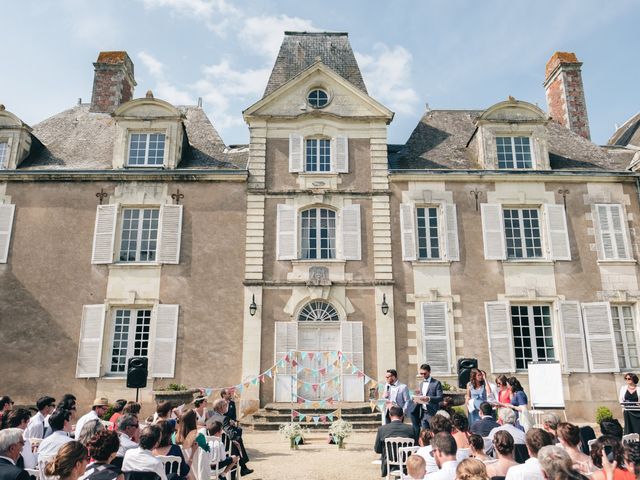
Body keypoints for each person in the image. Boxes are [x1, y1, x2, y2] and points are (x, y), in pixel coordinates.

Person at [374, 405, 417, 477]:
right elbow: (415, 447)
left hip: (389, 465)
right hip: (407, 465)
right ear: (402, 416)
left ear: (390, 415)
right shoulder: (411, 429)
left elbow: (377, 449)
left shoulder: (382, 429)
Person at [412, 364, 444, 433]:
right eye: (421, 373)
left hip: (433, 413)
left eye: (424, 373)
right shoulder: (421, 384)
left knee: (434, 433)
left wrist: (429, 398)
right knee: (424, 434)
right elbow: (422, 396)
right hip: (423, 413)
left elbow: (440, 397)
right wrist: (417, 399)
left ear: (429, 372)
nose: (423, 375)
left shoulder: (436, 383)